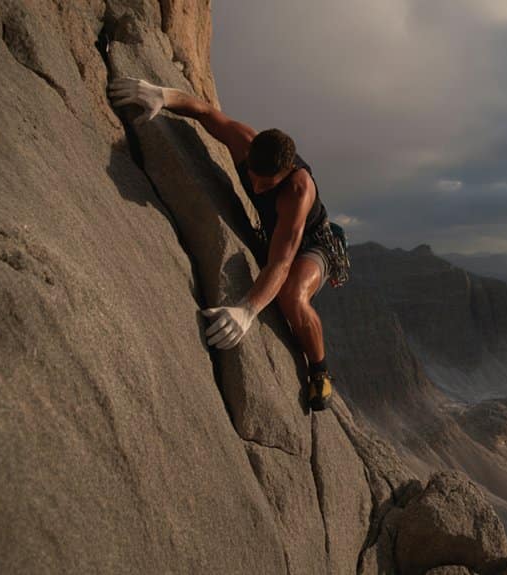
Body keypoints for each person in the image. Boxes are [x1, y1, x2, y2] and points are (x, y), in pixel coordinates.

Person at [108, 76, 346, 411]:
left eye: (267, 184)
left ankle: (321, 372)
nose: (257, 188)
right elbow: (204, 112)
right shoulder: (246, 144)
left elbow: (283, 261)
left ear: (287, 170)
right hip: (277, 235)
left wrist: (247, 311)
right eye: (253, 179)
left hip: (313, 244)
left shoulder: (297, 191)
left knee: (292, 295)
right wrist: (163, 96)